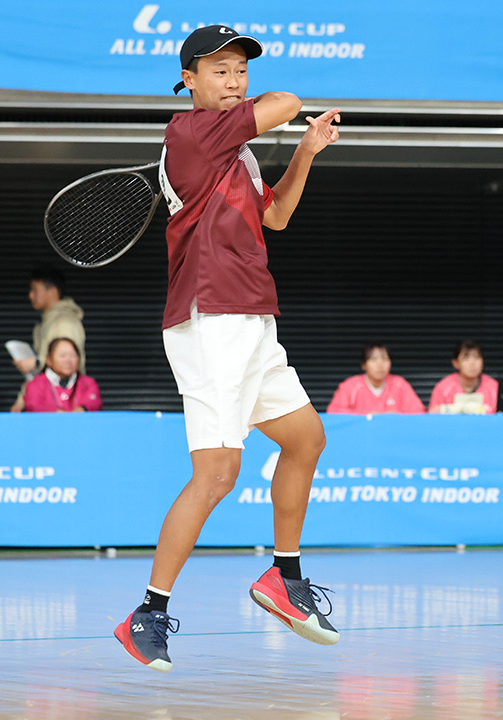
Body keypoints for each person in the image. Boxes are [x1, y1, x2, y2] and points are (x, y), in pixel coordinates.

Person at [113, 25, 342, 673]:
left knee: (306, 439)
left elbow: (276, 217)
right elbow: (287, 100)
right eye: (220, 70)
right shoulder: (193, 133)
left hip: (253, 317)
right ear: (187, 80)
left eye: (241, 70)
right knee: (216, 475)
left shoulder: (235, 151)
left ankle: (284, 579)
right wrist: (281, 110)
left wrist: (306, 153)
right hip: (210, 318)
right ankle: (147, 614)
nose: (235, 81)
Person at [10, 266, 86, 412]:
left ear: (52, 291)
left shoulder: (65, 322)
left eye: (35, 290)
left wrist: (36, 363)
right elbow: (39, 376)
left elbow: (70, 365)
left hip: (64, 409)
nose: (30, 296)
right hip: (45, 405)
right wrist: (22, 400)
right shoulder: (46, 323)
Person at [326, 343, 425, 415]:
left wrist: (395, 416)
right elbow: (333, 413)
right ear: (364, 365)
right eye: (374, 359)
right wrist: (367, 416)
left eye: (384, 359)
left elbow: (419, 412)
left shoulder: (400, 384)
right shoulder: (350, 386)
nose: (380, 364)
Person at [22, 338, 102, 412]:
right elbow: (33, 405)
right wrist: (56, 412)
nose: (68, 360)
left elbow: (95, 403)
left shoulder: (88, 383)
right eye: (62, 356)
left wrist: (83, 409)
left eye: (73, 355)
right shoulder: (36, 384)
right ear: (48, 359)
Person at [428, 340, 499, 415]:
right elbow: (432, 416)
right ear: (455, 363)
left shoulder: (494, 387)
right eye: (466, 358)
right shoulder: (443, 388)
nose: (472, 363)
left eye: (477, 357)